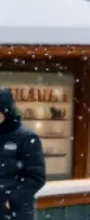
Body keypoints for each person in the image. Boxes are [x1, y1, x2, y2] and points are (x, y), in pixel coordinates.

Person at [0, 88, 45, 220]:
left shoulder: (26, 138)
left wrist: (12, 198)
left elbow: (36, 177)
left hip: (14, 212)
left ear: (5, 112)